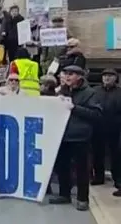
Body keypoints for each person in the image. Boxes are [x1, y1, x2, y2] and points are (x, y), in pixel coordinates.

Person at [49, 65, 102, 211]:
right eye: (65, 73)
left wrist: (74, 108)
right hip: (62, 135)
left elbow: (96, 114)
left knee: (81, 169)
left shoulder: (90, 93)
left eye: (70, 74)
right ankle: (64, 194)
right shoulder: (62, 91)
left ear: (79, 76)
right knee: (62, 167)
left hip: (80, 137)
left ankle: (82, 198)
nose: (66, 77)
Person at [91, 68, 121, 190]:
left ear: (116, 78)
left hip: (115, 128)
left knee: (116, 155)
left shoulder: (119, 92)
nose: (107, 78)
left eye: (110, 76)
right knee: (97, 153)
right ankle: (98, 177)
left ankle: (118, 179)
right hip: (97, 127)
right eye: (104, 76)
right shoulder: (95, 91)